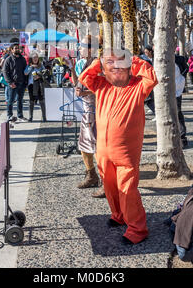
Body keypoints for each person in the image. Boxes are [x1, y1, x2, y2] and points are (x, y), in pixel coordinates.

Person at [79, 49, 158, 245]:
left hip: (126, 152)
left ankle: (137, 229)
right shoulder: (102, 86)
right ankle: (118, 215)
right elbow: (84, 77)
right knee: (110, 187)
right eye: (111, 65)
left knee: (128, 190)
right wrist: (99, 60)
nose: (116, 69)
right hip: (104, 150)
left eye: (121, 65)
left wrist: (134, 59)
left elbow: (152, 77)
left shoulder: (139, 87)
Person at [66, 36, 105, 198]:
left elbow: (105, 88)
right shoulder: (83, 63)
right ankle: (92, 175)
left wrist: (85, 92)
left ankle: (105, 182)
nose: (78, 48)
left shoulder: (99, 64)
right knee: (83, 145)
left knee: (97, 148)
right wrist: (72, 68)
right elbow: (78, 84)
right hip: (86, 109)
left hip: (97, 110)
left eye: (81, 46)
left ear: (90, 49)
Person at [3, 43, 27, 122]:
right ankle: (9, 115)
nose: (17, 49)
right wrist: (10, 82)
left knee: (20, 100)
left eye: (18, 48)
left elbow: (25, 71)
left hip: (22, 83)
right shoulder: (8, 59)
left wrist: (25, 82)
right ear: (12, 50)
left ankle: (20, 116)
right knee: (11, 100)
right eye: (15, 48)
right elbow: (5, 72)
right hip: (13, 83)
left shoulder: (22, 59)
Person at [25, 52, 46, 122]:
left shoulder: (41, 65)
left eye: (36, 57)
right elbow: (25, 73)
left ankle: (44, 117)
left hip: (39, 85)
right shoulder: (29, 65)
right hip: (31, 85)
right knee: (31, 101)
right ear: (31, 59)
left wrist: (39, 76)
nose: (35, 59)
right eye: (34, 57)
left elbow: (45, 72)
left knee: (41, 101)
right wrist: (31, 67)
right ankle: (30, 117)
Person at [140, 45, 155, 119]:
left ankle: (158, 114)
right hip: (145, 83)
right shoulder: (144, 59)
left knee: (148, 101)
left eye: (147, 52)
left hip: (146, 83)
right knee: (143, 101)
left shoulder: (144, 60)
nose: (146, 53)